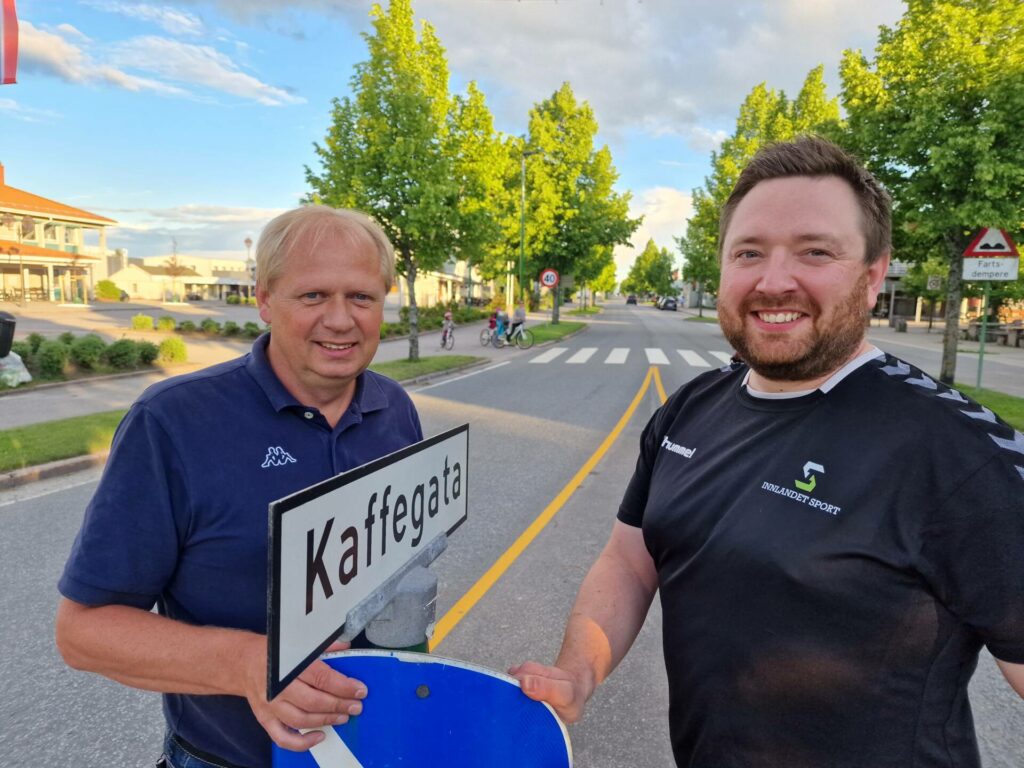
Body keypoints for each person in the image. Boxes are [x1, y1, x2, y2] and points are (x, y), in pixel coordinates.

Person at [511, 136, 1024, 767]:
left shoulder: (963, 454)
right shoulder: (691, 406)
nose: (774, 280)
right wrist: (579, 670)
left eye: (814, 252)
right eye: (749, 252)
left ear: (871, 277)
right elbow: (630, 558)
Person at [56, 205, 424, 768]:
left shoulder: (393, 408)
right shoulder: (173, 422)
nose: (341, 319)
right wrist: (250, 664)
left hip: (377, 746)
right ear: (264, 300)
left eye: (361, 297)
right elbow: (82, 632)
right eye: (312, 296)